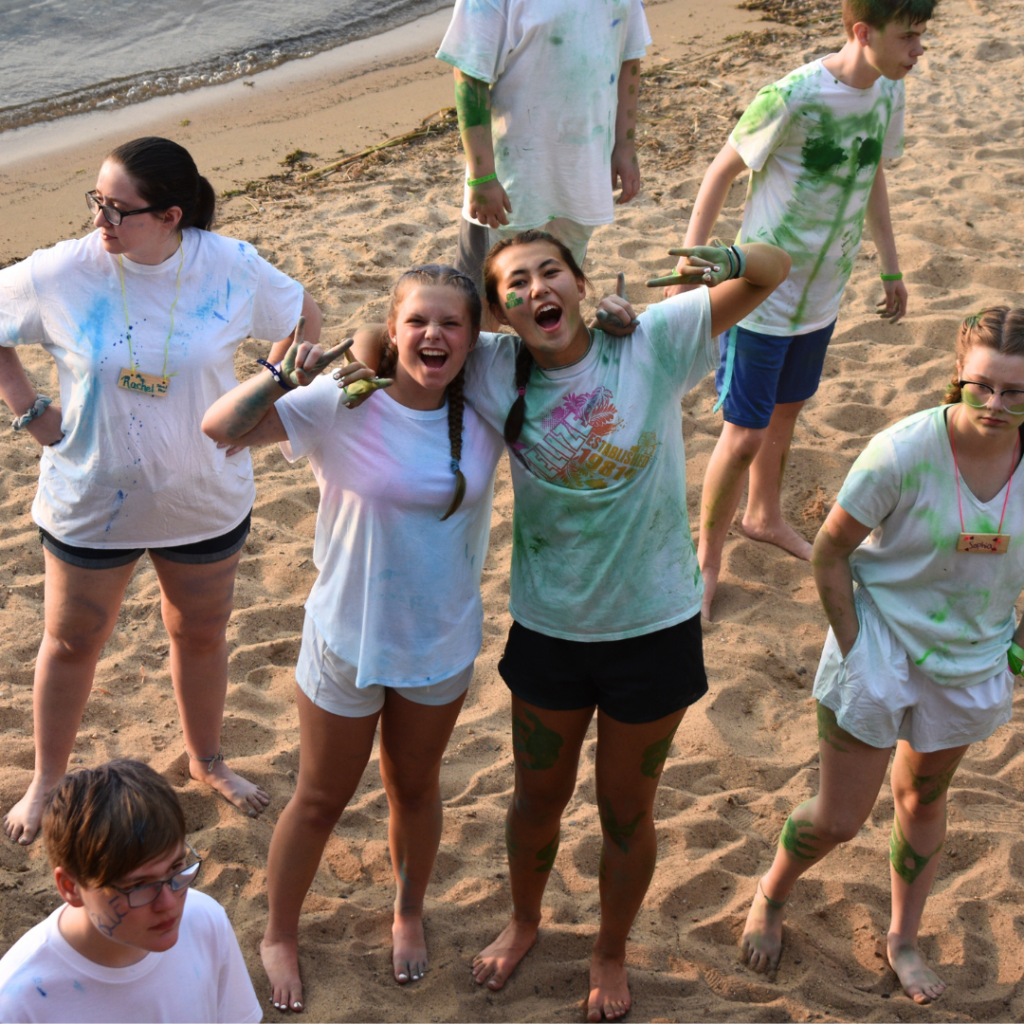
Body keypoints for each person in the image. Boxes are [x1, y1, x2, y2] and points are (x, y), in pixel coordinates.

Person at [451, 230, 791, 1021]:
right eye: (514, 283)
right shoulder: (492, 369)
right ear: (500, 313)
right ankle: (525, 921)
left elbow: (773, 272)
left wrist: (731, 260)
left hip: (654, 628)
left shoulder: (653, 341)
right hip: (550, 630)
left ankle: (609, 950)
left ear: (579, 284)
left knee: (625, 811)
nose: (537, 289)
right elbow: (387, 339)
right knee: (536, 799)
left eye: (550, 273)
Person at [0, 136, 322, 845]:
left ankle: (208, 761)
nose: (100, 221)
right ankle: (47, 779)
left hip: (201, 496)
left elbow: (302, 320)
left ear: (172, 215)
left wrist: (262, 398)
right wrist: (28, 412)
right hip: (90, 499)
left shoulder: (230, 265)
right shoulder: (62, 271)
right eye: (96, 201)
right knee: (70, 639)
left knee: (201, 634)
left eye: (118, 209)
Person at [202, 265, 506, 1013]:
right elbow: (222, 429)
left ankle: (406, 913)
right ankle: (280, 931)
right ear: (394, 329)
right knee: (320, 795)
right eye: (417, 321)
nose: (434, 335)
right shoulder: (343, 401)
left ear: (473, 337)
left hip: (438, 641)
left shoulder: (492, 402)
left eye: (451, 324)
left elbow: (560, 341)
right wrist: (279, 374)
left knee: (414, 788)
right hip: (345, 636)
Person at [740, 307, 1024, 1005]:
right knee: (839, 819)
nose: (995, 404)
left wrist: (1016, 642)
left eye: (1015, 392)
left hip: (971, 652)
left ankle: (903, 937)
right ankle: (772, 894)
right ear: (958, 372)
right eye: (983, 385)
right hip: (881, 644)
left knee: (923, 796)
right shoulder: (902, 451)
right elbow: (832, 549)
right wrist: (855, 644)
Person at [664, 0, 934, 618]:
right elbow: (720, 173)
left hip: (823, 294)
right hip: (761, 298)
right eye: (909, 36)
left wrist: (890, 263)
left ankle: (763, 516)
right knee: (744, 433)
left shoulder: (888, 91)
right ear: (863, 33)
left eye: (921, 35)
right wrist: (690, 266)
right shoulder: (791, 95)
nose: (918, 49)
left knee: (786, 415)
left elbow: (872, 177)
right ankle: (706, 560)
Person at [0, 758, 262, 1023]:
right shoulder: (17, 1003)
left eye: (176, 868)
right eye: (139, 886)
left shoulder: (205, 921)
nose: (169, 903)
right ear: (71, 887)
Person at [437, 0, 651, 303]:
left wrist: (625, 146)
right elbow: (470, 76)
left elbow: (629, 61)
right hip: (511, 181)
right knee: (482, 299)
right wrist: (482, 177)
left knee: (559, 288)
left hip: (582, 173)